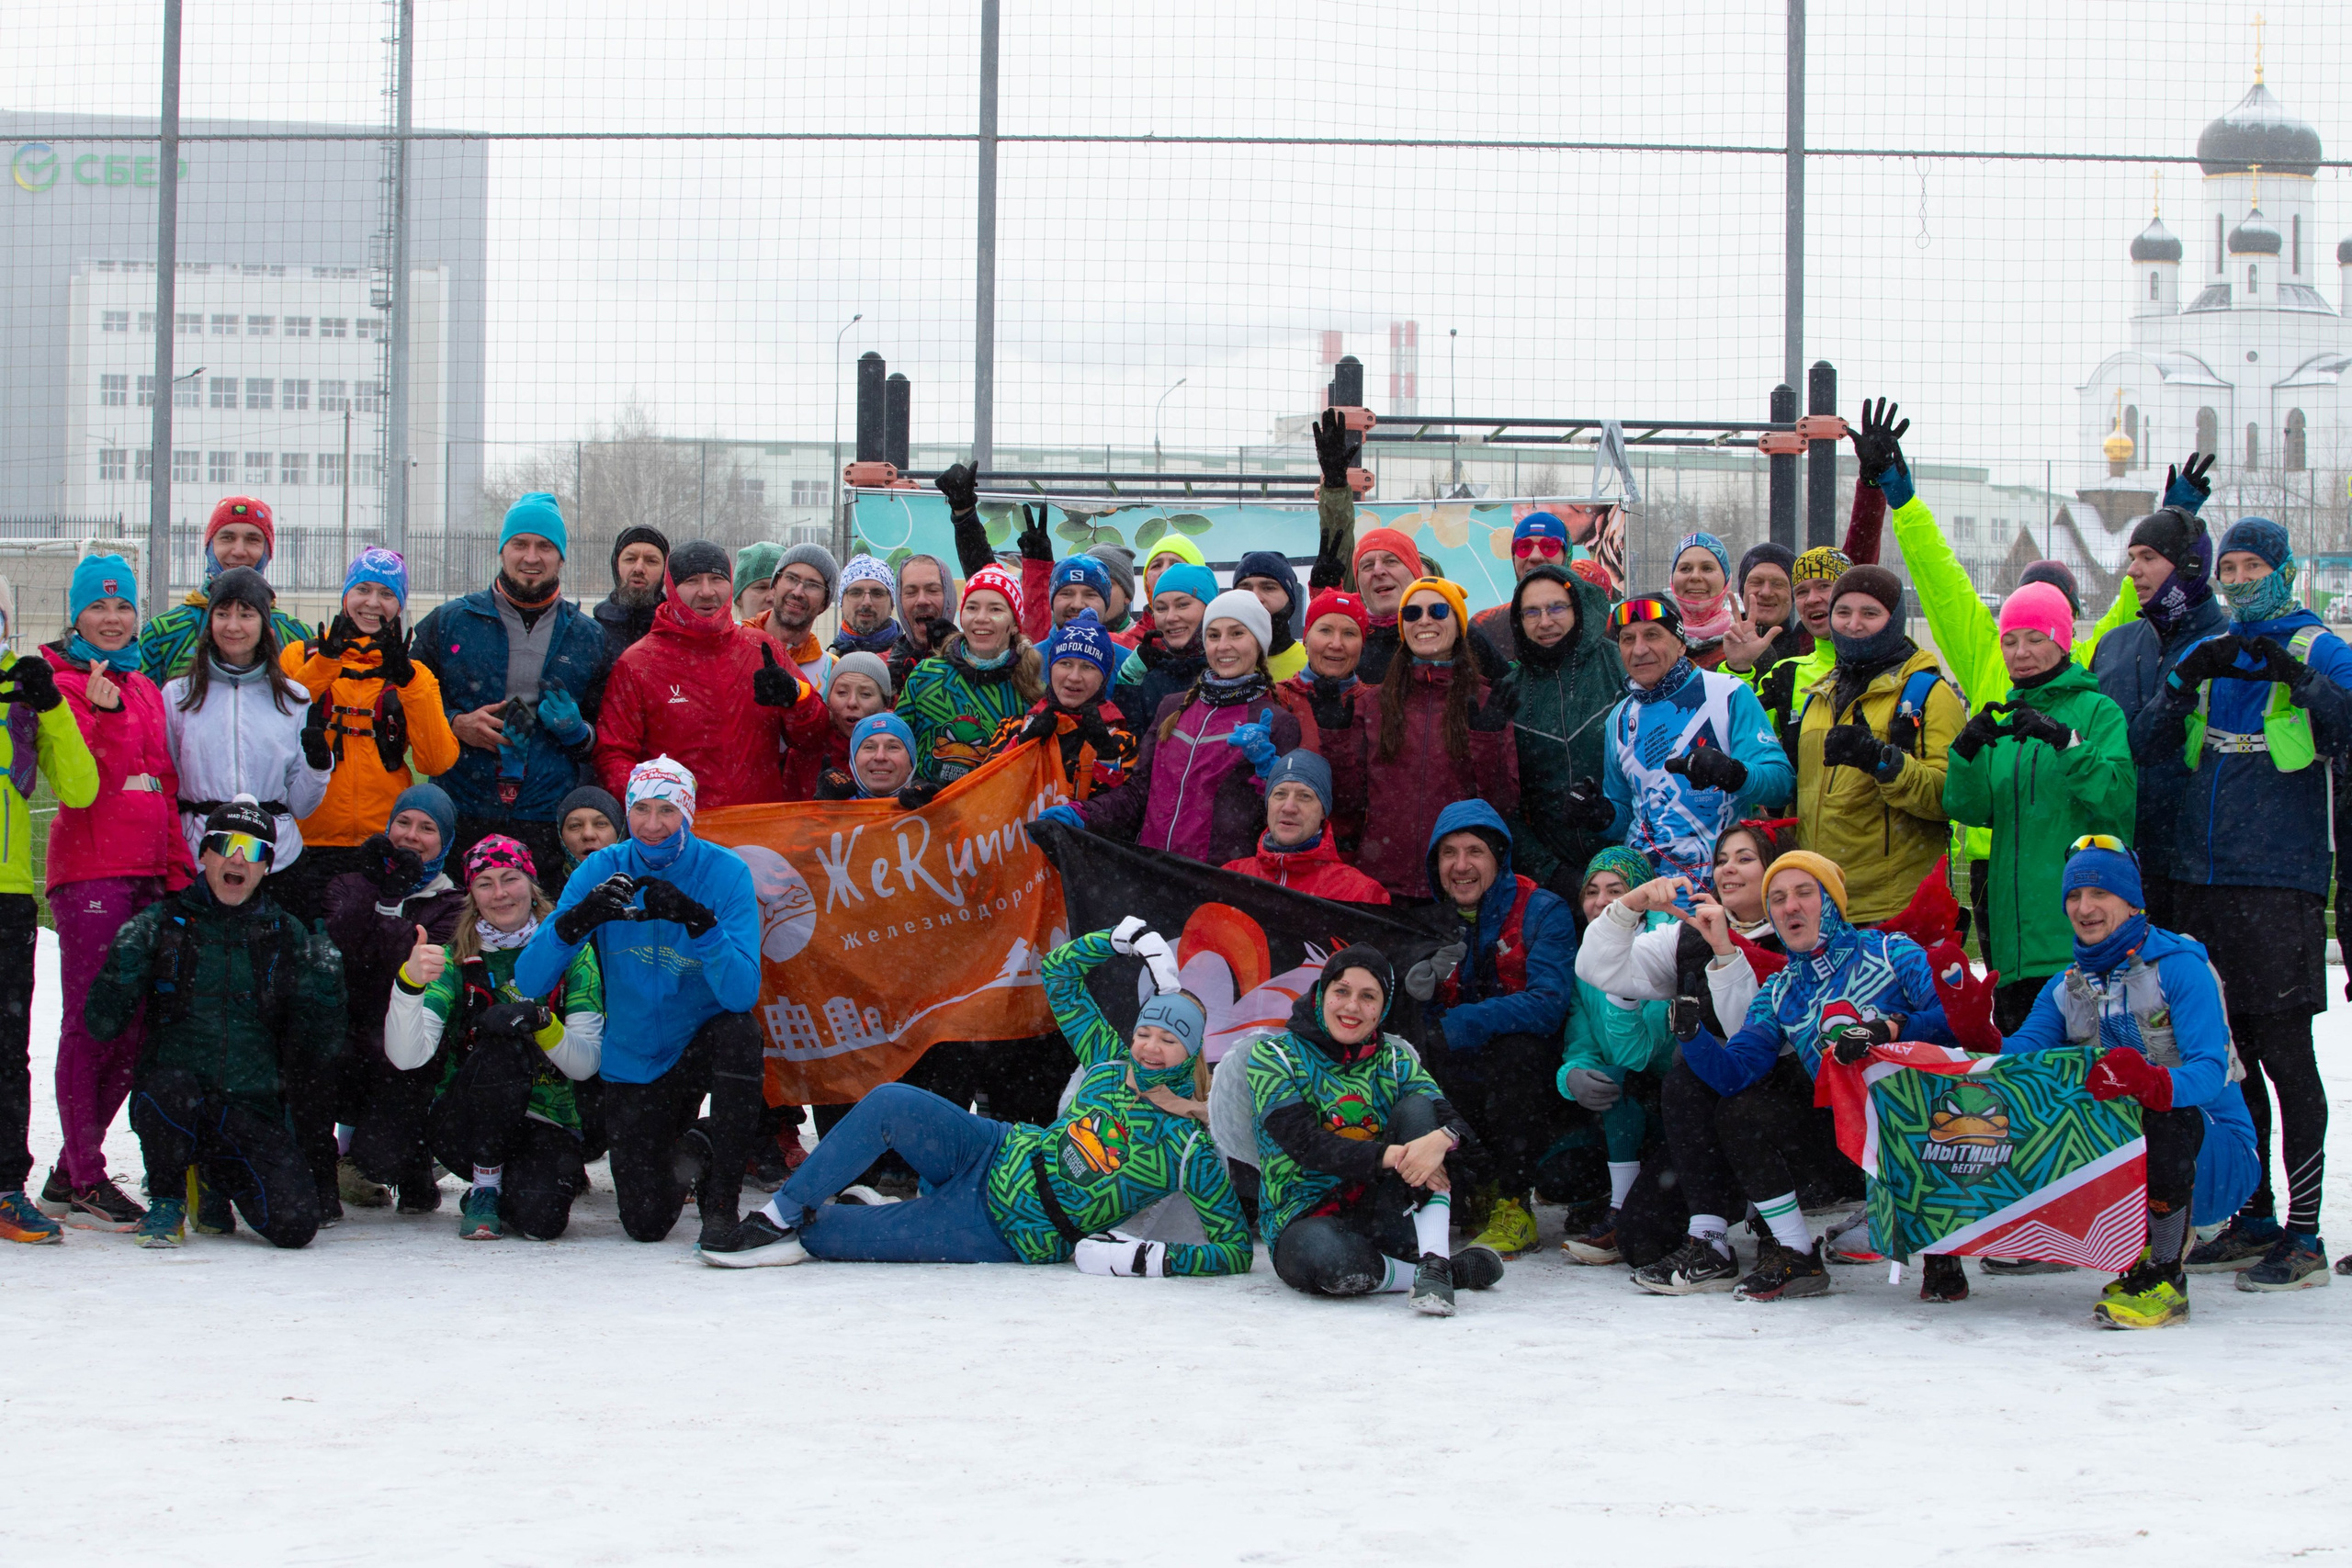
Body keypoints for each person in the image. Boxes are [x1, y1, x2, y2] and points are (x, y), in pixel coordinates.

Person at [703, 920, 1253, 1273]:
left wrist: (1143, 1258)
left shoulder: (1189, 1148)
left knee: (828, 1236)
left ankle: (844, 1216)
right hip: (992, 1148)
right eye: (1146, 1033)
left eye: (1169, 1040)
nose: (1151, 1048)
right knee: (892, 1100)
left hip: (1010, 1227)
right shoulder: (1107, 1061)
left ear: (1193, 1052)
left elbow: (1232, 1250)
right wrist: (1122, 938)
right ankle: (778, 1212)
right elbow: (1060, 973)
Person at [2136, 516, 2350, 1289]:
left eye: (2254, 563)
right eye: (2227, 564)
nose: (2237, 577)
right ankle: (2256, 1211)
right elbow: (2147, 741)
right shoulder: (2207, 647)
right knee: (2233, 1057)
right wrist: (2187, 683)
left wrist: (2301, 683)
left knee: (2288, 1054)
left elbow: (2346, 726)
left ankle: (2306, 1231)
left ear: (2284, 569)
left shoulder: (2319, 646)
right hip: (2203, 877)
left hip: (2280, 877)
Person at [1633, 852, 1948, 1302]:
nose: (1791, 907)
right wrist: (1693, 1034)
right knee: (1741, 1111)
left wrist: (1892, 1028)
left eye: (1804, 893)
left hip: (1921, 1122)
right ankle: (1796, 1253)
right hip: (1845, 1145)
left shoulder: (1892, 951)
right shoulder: (1780, 990)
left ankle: (1944, 1255)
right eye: (1777, 899)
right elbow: (1736, 1074)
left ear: (1832, 903)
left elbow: (1951, 1021)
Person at [1996, 840, 2261, 1327]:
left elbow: (2208, 1070)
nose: (2084, 908)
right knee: (2039, 1099)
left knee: (2159, 1113)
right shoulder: (2067, 984)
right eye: (2074, 897)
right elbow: (2019, 1057)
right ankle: (2116, 1248)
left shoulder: (2181, 967)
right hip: (2134, 1155)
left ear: (2133, 901)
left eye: (2100, 893)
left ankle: (2166, 1275)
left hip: (2217, 1153)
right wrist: (1973, 1031)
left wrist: (2151, 1081)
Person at [517, 756, 763, 1247]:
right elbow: (529, 977)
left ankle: (721, 1208)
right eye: (642, 809)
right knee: (645, 1224)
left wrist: (701, 924)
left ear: (689, 813)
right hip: (632, 1058)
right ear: (627, 811)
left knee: (741, 1031)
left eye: (668, 811)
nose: (653, 826)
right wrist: (574, 922)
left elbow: (741, 993)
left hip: (697, 1043)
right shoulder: (602, 868)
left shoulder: (726, 872)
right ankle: (697, 1144)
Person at [96, 797, 345, 1250]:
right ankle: (168, 1196)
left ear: (267, 867)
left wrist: (327, 992)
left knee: (294, 1226)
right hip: (176, 1093)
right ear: (204, 853)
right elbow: (102, 1025)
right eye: (226, 845)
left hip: (251, 1104)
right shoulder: (164, 924)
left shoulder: (285, 933)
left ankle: (211, 1173)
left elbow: (318, 1049)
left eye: (253, 851)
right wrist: (121, 968)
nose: (237, 859)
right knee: (170, 1088)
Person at [37, 554, 192, 1230]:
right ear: (76, 614)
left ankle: (71, 1172)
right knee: (91, 1022)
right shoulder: (64, 684)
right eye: (98, 607)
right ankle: (87, 1173)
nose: (111, 619)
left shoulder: (145, 688)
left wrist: (178, 871)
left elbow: (164, 783)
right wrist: (95, 717)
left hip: (148, 874)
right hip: (91, 872)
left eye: (123, 607)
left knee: (133, 1031)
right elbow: (84, 783)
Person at [1246, 945, 1506, 1314]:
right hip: (1304, 1219)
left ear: (1383, 1008)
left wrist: (1443, 1139)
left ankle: (1434, 1261)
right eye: (1342, 991)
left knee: (1420, 1110)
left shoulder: (1396, 1060)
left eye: (1368, 996)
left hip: (1387, 1214)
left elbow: (1455, 1122)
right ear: (1321, 994)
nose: (1351, 1007)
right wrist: (1394, 1155)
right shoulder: (1274, 1056)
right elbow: (1304, 1144)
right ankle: (1436, 1274)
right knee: (1328, 1261)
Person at [384, 835, 605, 1241]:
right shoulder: (456, 955)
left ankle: (513, 1187)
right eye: (485, 883)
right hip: (467, 1123)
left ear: (531, 884)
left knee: (543, 1223)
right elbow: (406, 1056)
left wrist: (540, 1021)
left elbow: (585, 1062)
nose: (500, 893)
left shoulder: (572, 951)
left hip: (546, 1119)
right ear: (472, 894)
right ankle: (485, 1185)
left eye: (510, 878)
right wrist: (409, 984)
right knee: (500, 1037)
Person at [1942, 582, 2135, 1032]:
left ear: (2062, 641)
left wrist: (2065, 741)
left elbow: (2116, 801)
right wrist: (1965, 754)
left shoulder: (2098, 711)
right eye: (2009, 640)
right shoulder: (2007, 719)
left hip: (2078, 937)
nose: (2019, 652)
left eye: (2034, 638)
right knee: (2026, 1078)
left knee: (2080, 1076)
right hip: (2013, 944)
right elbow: (1970, 810)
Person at [414, 492, 608, 890]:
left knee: (537, 928)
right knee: (464, 926)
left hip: (545, 813)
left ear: (562, 558)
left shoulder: (588, 636)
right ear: (502, 551)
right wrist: (453, 723)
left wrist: (578, 734)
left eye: (545, 546)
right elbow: (409, 700)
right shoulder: (449, 622)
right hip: (465, 804)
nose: (531, 557)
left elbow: (607, 733)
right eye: (520, 544)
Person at [1416, 801, 1576, 1259]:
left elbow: (1549, 1004)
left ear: (1499, 859)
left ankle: (1513, 1205)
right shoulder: (1427, 923)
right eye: (1448, 853)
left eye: (1474, 852)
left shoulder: (1542, 909)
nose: (1461, 866)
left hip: (1535, 1076)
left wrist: (1463, 1022)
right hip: (1457, 1070)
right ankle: (1471, 1187)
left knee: (1516, 1052)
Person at [1051, 588, 1304, 870]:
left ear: (1258, 642)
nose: (1223, 646)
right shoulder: (1172, 707)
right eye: (1214, 635)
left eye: (1237, 634)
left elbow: (1281, 823)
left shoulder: (1278, 722)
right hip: (1153, 874)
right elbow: (1138, 794)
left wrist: (1268, 778)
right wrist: (1083, 814)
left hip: (1220, 884)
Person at [275, 546, 461, 923]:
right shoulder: (300, 656)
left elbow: (437, 760)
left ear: (400, 606)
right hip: (308, 838)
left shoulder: (415, 675)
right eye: (363, 590)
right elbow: (281, 720)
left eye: (387, 594)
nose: (372, 603)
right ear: (346, 596)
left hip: (382, 845)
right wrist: (327, 661)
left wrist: (407, 680)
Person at [1569, 594, 1792, 888]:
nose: (1639, 649)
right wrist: (1603, 815)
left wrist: (1733, 773)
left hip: (1718, 888)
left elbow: (1781, 786)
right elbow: (1626, 817)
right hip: (1649, 893)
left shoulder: (1727, 694)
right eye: (1627, 639)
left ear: (1681, 643)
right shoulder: (1619, 719)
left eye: (1652, 635)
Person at [0, 582, 98, 1245]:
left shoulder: (20, 699)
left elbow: (82, 786)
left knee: (7, 1051)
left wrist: (53, 705)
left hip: (8, 895)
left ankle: (7, 1186)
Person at [593, 539, 828, 809]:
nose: (707, 592)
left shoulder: (761, 649)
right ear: (671, 589)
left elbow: (814, 736)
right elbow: (613, 754)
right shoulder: (638, 664)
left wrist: (797, 699)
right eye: (692, 581)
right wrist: (651, 807)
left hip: (758, 831)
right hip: (680, 835)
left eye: (716, 579)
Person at [1324, 577, 1519, 901]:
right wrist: (1336, 738)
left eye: (1438, 610)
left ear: (1458, 624)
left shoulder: (1486, 702)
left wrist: (1487, 739)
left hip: (1459, 886)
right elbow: (1347, 802)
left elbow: (1501, 805)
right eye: (1412, 613)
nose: (1424, 620)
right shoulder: (1373, 703)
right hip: (1381, 884)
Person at [1792, 565, 1965, 924]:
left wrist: (1882, 761)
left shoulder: (1928, 695)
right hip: (1821, 906)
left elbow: (1952, 796)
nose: (1853, 625)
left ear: (1894, 620)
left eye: (1870, 613)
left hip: (1893, 910)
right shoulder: (1818, 697)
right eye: (1842, 612)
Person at [324, 784, 467, 1217]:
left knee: (383, 1153)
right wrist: (381, 891)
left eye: (427, 828)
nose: (411, 835)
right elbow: (343, 945)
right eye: (402, 823)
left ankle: (411, 1157)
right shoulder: (350, 883)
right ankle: (336, 1156)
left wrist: (383, 922)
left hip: (408, 1045)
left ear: (445, 841)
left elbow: (418, 965)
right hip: (349, 1035)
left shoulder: (454, 902)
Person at [2091, 501, 2226, 929]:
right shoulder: (2114, 645)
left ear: (2189, 566)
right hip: (2122, 858)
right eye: (2132, 557)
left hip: (2203, 865)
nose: (2133, 571)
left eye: (2148, 558)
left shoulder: (2228, 644)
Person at [163, 568, 334, 880]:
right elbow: (168, 781)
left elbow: (300, 806)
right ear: (210, 622)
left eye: (246, 614)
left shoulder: (294, 698)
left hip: (275, 861)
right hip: (202, 858)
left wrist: (319, 766)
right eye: (223, 613)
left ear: (265, 625)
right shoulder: (178, 696)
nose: (233, 626)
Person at [1556, 846, 1679, 1266]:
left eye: (1616, 889)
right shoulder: (1583, 962)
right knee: (1559, 1172)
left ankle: (1628, 1209)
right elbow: (1581, 1044)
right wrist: (1571, 1075)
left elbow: (1645, 1052)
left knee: (1625, 1076)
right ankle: (1618, 1204)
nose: (1601, 901)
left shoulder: (1662, 943)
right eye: (1592, 891)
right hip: (1628, 1107)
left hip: (1678, 1099)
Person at [1719, 469, 1890, 750]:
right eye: (1756, 582)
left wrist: (1871, 487)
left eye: (1778, 583)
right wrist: (1738, 667)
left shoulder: (1810, 642)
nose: (1765, 592)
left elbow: (1858, 558)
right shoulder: (1749, 657)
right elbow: (1741, 736)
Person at [1501, 561, 1623, 897]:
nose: (1545, 622)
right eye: (1531, 612)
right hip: (1555, 878)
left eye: (1557, 608)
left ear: (1577, 608)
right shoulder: (1511, 691)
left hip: (1631, 858)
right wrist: (1552, 873)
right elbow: (1504, 800)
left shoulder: (1618, 665)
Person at [135, 497, 311, 682]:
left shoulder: (298, 636)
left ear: (268, 552)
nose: (239, 551)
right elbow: (145, 706)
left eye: (253, 540)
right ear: (209, 546)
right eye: (227, 538)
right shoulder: (161, 633)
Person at [899, 565, 1044, 784]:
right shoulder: (926, 674)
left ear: (1014, 624)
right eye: (972, 608)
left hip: (998, 813)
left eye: (995, 609)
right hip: (927, 812)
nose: (981, 618)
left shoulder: (1030, 686)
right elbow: (897, 743)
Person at [992, 610, 1137, 803]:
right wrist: (1023, 746)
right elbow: (987, 795)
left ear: (1103, 679)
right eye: (1066, 663)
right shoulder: (1013, 729)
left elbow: (1119, 815)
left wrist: (1108, 760)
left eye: (1088, 667)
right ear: (1051, 668)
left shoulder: (1121, 744)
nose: (1074, 677)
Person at [1220, 750, 1387, 902]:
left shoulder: (1360, 893)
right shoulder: (1230, 877)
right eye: (1280, 794)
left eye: (1304, 796)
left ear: (1323, 811)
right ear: (1268, 804)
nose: (1288, 807)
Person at [1466, 510, 1574, 654]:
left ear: (1566, 556)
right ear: (1514, 557)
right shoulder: (1487, 624)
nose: (1535, 556)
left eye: (1549, 546)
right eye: (1525, 547)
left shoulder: (1593, 624)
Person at [1119, 562, 1215, 720]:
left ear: (1210, 608)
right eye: (1161, 608)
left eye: (1182, 605)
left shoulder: (1231, 673)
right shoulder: (1146, 678)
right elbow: (1132, 739)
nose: (1170, 617)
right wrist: (1127, 681)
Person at [800, 651, 898, 795]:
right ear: (828, 700)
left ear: (885, 704)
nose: (852, 702)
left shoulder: (901, 747)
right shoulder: (807, 748)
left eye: (865, 694)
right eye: (842, 692)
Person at [1348, 526, 1427, 685]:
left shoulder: (1449, 633)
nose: (1378, 571)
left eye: (1391, 561)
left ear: (1415, 573)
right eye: (1367, 565)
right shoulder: (1348, 644)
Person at [759, 543, 840, 694]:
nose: (798, 592)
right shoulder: (733, 640)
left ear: (825, 603)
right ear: (775, 584)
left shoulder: (832, 671)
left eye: (813, 585)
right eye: (791, 578)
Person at [593, 525, 669, 663]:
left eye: (651, 561)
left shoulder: (676, 631)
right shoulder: (592, 633)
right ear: (616, 566)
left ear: (665, 571)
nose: (639, 568)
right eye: (630, 559)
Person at [1231, 549, 1309, 682]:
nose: (1256, 597)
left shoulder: (1311, 663)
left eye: (1268, 588)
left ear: (1290, 598)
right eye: (1245, 589)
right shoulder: (1219, 662)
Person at [886, 552, 957, 692]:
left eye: (933, 590)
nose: (922, 600)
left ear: (949, 597)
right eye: (911, 592)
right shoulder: (883, 666)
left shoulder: (975, 662)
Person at [1667, 533, 1736, 670]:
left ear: (1726, 579)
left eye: (1707, 568)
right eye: (1685, 568)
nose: (1695, 576)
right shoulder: (1655, 642)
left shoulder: (1745, 642)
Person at [831, 554, 903, 666]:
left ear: (891, 605)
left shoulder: (910, 663)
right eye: (856, 593)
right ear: (842, 603)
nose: (867, 602)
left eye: (877, 593)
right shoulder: (826, 664)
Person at [553, 784, 623, 886]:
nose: (588, 834)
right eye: (575, 825)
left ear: (620, 832)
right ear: (561, 836)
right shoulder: (545, 895)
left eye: (601, 824)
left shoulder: (643, 883)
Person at [731, 541, 783, 623]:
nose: (772, 597)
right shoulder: (726, 636)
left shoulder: (806, 636)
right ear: (739, 598)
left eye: (779, 588)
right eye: (762, 588)